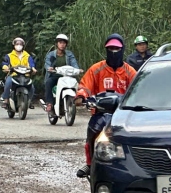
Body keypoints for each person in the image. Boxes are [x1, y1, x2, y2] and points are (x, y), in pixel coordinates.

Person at [75, 34, 137, 178]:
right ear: (106, 49)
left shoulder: (130, 71)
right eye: (110, 48)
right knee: (92, 130)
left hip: (122, 115)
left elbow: (137, 89)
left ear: (122, 49)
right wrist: (81, 96)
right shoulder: (96, 69)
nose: (114, 51)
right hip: (100, 113)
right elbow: (85, 85)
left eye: (117, 48)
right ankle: (90, 163)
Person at [42, 34, 79, 117]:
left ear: (66, 44)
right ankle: (50, 103)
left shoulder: (69, 54)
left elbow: (74, 63)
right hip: (55, 76)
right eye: (60, 42)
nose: (62, 44)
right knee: (48, 82)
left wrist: (77, 69)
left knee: (75, 83)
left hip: (66, 76)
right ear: (57, 44)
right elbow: (47, 64)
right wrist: (49, 68)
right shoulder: (51, 54)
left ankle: (75, 100)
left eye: (64, 43)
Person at [0, 37, 35, 110]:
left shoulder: (27, 55)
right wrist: (6, 68)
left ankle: (29, 101)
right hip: (13, 75)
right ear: (14, 45)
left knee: (32, 87)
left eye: (20, 44)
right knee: (8, 83)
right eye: (17, 44)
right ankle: (6, 100)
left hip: (25, 75)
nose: (19, 45)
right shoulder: (9, 56)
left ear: (23, 46)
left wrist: (33, 69)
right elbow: (4, 63)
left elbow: (31, 64)